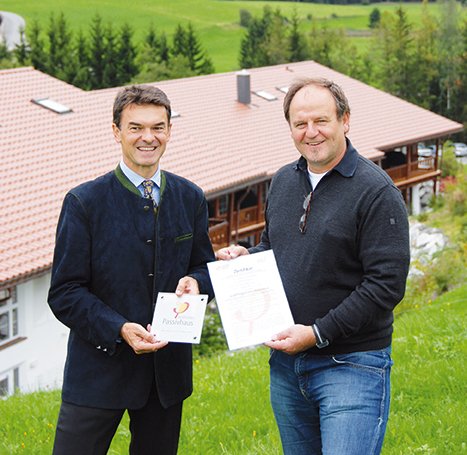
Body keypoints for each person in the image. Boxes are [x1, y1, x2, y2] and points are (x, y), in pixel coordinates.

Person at [216, 77, 410, 455]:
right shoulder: (284, 182)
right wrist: (247, 258)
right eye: (300, 124)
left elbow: (385, 286)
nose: (311, 132)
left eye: (321, 121)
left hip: (351, 365)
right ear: (289, 128)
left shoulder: (377, 192)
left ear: (345, 121)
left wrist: (318, 333)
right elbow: (275, 250)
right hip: (287, 368)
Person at [48, 85, 215, 455]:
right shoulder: (83, 203)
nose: (148, 137)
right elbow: (64, 292)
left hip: (165, 376)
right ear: (116, 131)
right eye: (136, 127)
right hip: (96, 371)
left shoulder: (190, 197)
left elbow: (204, 267)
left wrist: (196, 280)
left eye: (158, 127)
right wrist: (119, 328)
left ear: (169, 130)